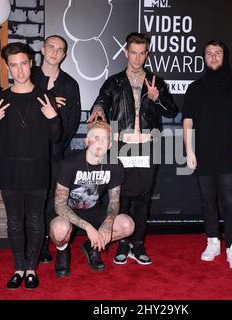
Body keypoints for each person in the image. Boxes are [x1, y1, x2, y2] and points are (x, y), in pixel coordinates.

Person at [88, 32, 178, 265]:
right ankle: (122, 243)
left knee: (144, 198)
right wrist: (98, 107)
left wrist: (157, 98)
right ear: (126, 53)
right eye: (133, 53)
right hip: (121, 146)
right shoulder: (114, 81)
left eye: (142, 53)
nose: (137, 58)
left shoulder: (156, 81)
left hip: (148, 145)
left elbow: (171, 111)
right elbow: (103, 98)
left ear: (146, 54)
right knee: (120, 196)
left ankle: (138, 244)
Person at [0, 42, 61, 289]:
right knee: (14, 221)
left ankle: (31, 268)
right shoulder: (1, 97)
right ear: (8, 68)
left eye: (24, 64)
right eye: (14, 65)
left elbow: (55, 137)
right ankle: (19, 267)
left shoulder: (44, 96)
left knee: (36, 221)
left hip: (38, 170)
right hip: (10, 171)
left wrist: (54, 119)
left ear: (31, 64)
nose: (19, 71)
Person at [183, 40, 232, 270]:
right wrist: (189, 151)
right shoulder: (195, 88)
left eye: (218, 53)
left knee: (231, 202)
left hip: (230, 155)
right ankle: (212, 241)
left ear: (225, 56)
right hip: (202, 154)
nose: (213, 57)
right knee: (207, 201)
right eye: (209, 53)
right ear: (204, 58)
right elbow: (187, 123)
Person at [50, 120, 134, 276]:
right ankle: (62, 251)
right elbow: (59, 205)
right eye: (95, 137)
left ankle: (92, 246)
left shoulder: (114, 165)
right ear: (86, 140)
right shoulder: (70, 163)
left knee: (127, 225)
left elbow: (114, 202)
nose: (99, 143)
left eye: (104, 139)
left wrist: (107, 225)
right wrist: (88, 227)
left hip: (93, 210)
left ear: (110, 145)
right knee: (60, 230)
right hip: (67, 211)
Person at [31, 35, 81, 263]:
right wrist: (49, 100)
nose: (54, 52)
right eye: (50, 47)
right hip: (29, 153)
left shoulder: (70, 85)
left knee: (52, 201)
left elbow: (71, 124)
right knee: (32, 202)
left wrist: (56, 139)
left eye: (60, 49)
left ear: (64, 55)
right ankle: (36, 245)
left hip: (55, 155)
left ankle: (54, 244)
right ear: (42, 50)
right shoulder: (28, 77)